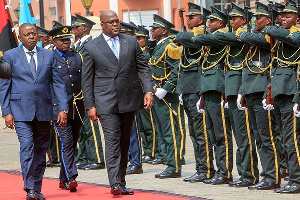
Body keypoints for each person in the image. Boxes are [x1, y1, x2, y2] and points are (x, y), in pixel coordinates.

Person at [81, 10, 153, 195]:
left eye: (117, 21)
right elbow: (87, 80)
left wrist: (149, 91)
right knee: (112, 141)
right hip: (106, 101)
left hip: (129, 98)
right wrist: (90, 106)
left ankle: (121, 181)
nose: (115, 25)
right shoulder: (92, 47)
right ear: (102, 24)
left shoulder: (130, 42)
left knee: (124, 142)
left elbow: (143, 68)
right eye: (111, 22)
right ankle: (114, 183)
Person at [0, 23, 68, 200]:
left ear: (38, 36)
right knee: (27, 147)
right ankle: (29, 187)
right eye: (27, 34)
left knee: (40, 150)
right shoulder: (10, 56)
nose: (31, 36)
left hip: (44, 111)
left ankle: (36, 187)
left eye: (34, 33)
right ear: (20, 38)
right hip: (20, 111)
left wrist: (63, 108)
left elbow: (58, 84)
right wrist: (6, 112)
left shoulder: (49, 55)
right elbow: (4, 86)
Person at [177, 6, 233, 185]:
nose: (209, 23)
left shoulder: (214, 37)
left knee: (219, 134)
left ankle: (219, 171)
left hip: (217, 90)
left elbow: (184, 38)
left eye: (211, 21)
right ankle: (205, 169)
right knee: (203, 133)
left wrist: (195, 35)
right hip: (204, 89)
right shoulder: (205, 39)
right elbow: (181, 38)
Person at [217, 3, 260, 187]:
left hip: (241, 90)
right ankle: (243, 173)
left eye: (235, 18)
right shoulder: (233, 36)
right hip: (231, 92)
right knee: (238, 135)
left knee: (245, 136)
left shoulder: (243, 36)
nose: (232, 21)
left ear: (244, 20)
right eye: (231, 18)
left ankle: (250, 175)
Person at [263, 0, 300, 193]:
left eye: (288, 15)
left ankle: (297, 180)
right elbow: (274, 67)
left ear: (298, 19)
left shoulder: (295, 35)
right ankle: (291, 177)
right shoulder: (281, 39)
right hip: (279, 92)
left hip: (292, 93)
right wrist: (267, 92)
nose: (283, 18)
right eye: (282, 15)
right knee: (284, 139)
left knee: (293, 140)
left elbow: (277, 32)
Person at [176, 2, 215, 183]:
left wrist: (184, 36)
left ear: (201, 19)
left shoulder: (202, 37)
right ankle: (200, 168)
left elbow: (180, 37)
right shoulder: (190, 37)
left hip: (198, 90)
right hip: (187, 90)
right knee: (193, 132)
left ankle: (206, 169)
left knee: (202, 133)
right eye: (187, 17)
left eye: (192, 17)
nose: (188, 20)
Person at [49, 24, 85, 192]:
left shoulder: (76, 57)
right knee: (66, 142)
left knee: (73, 141)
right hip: (58, 109)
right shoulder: (49, 59)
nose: (66, 43)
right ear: (54, 41)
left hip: (77, 106)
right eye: (62, 40)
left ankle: (63, 179)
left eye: (68, 40)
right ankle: (71, 176)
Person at [149, 14, 183, 179]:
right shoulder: (157, 46)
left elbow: (177, 69)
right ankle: (168, 163)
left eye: (155, 28)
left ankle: (174, 166)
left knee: (170, 132)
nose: (152, 31)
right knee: (162, 132)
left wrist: (167, 88)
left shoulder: (170, 46)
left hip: (166, 97)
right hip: (157, 95)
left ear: (163, 30)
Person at [73, 14, 106, 170]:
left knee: (92, 128)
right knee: (84, 128)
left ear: (84, 28)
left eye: (76, 27)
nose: (73, 29)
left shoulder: (90, 44)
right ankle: (86, 156)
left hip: (89, 91)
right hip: (80, 92)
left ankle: (98, 159)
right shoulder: (79, 45)